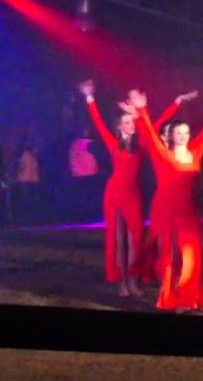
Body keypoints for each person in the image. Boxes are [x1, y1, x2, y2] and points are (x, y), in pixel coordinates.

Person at [125, 89, 203, 312]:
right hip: (168, 213)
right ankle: (172, 298)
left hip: (190, 214)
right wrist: (141, 109)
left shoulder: (195, 153)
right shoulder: (162, 155)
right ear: (170, 136)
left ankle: (187, 300)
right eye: (178, 133)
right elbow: (149, 133)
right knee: (171, 260)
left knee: (192, 258)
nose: (183, 136)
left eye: (186, 133)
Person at [81, 80, 195, 296]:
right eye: (126, 122)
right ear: (119, 126)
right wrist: (89, 97)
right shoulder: (112, 143)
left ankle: (133, 281)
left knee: (135, 239)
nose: (131, 125)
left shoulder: (141, 143)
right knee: (118, 240)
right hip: (113, 194)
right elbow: (97, 121)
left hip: (133, 195)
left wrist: (177, 102)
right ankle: (122, 282)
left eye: (132, 121)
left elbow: (157, 124)